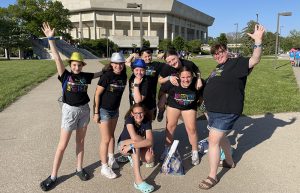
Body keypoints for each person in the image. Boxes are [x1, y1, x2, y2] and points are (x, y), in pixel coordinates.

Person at [199, 24, 265, 190]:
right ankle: (229, 161)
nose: (218, 55)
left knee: (213, 140)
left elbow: (255, 59)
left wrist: (258, 41)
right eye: (215, 53)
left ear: (226, 51)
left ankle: (212, 176)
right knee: (221, 138)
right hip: (212, 111)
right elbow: (211, 85)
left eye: (221, 51)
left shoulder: (237, 63)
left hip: (227, 111)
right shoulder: (218, 68)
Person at [40, 22, 102, 191]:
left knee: (80, 142)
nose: (76, 66)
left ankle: (79, 168)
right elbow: (57, 59)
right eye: (74, 64)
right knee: (62, 145)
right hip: (69, 112)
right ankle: (53, 175)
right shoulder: (65, 75)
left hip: (84, 110)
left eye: (79, 64)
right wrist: (50, 39)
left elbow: (100, 74)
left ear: (82, 66)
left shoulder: (85, 76)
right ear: (70, 65)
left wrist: (113, 67)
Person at [93, 52, 127, 179]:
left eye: (121, 64)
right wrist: (96, 112)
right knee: (106, 139)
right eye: (116, 64)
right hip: (104, 110)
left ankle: (111, 158)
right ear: (111, 64)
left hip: (115, 110)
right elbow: (97, 94)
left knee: (112, 136)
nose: (118, 66)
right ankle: (104, 166)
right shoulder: (107, 76)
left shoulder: (124, 76)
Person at [159, 66, 202, 165]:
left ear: (193, 76)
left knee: (191, 129)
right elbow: (162, 90)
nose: (186, 80)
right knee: (170, 127)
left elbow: (204, 94)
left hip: (189, 106)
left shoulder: (198, 82)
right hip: (174, 105)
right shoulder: (173, 82)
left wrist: (202, 105)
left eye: (188, 77)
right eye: (183, 77)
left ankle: (195, 151)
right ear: (179, 76)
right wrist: (162, 100)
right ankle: (167, 150)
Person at [117, 103, 155, 193]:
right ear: (132, 114)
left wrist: (149, 144)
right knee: (136, 145)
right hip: (123, 145)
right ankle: (138, 181)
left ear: (144, 112)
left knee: (150, 158)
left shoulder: (147, 121)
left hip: (133, 145)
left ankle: (132, 156)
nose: (138, 115)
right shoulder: (129, 119)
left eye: (141, 113)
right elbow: (134, 138)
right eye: (136, 113)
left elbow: (150, 142)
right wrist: (147, 143)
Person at [157, 49, 203, 122]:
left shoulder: (188, 64)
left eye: (173, 59)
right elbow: (160, 81)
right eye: (169, 61)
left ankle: (202, 107)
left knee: (201, 87)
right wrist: (169, 77)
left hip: (182, 87)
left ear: (178, 56)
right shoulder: (167, 67)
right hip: (169, 88)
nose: (172, 63)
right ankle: (161, 110)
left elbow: (197, 71)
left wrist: (199, 79)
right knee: (161, 104)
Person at [126, 47, 164, 121]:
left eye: (149, 56)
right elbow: (126, 62)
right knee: (137, 120)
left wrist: (164, 54)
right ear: (141, 56)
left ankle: (160, 111)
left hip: (150, 96)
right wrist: (132, 55)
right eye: (145, 56)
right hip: (137, 97)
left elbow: (169, 65)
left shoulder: (156, 65)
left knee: (149, 119)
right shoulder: (137, 65)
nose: (148, 58)